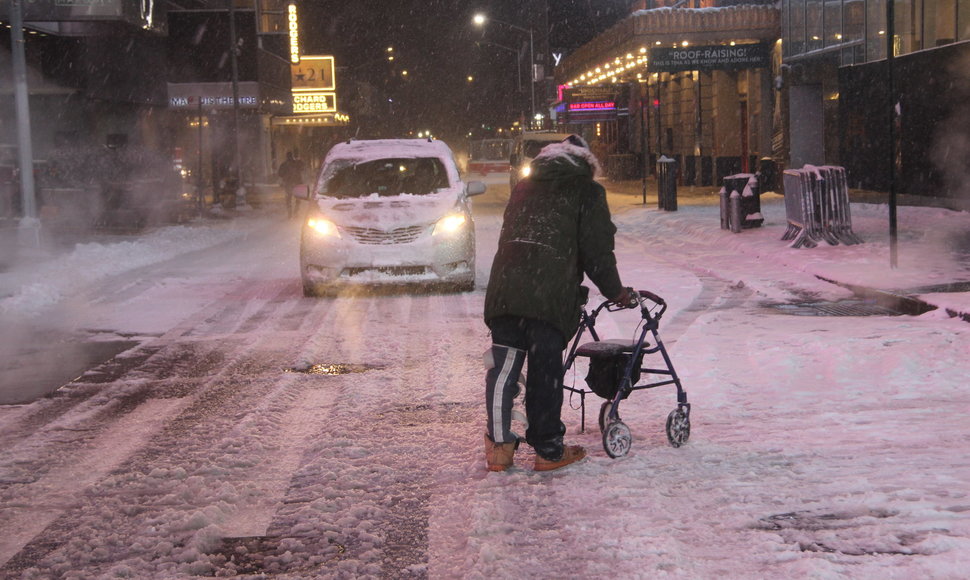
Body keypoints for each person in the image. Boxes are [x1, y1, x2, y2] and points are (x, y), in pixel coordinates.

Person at [483, 135, 635, 472]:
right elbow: (596, 253)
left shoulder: (524, 186)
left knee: (503, 369)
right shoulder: (587, 191)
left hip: (507, 288)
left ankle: (499, 448)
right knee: (545, 373)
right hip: (548, 296)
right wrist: (616, 292)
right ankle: (548, 450)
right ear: (585, 163)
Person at [277, 150, 306, 218]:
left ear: (286, 157)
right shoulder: (297, 163)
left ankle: (290, 213)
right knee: (298, 199)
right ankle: (296, 212)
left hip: (288, 184)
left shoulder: (284, 164)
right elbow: (303, 167)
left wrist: (285, 176)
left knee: (288, 198)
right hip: (297, 183)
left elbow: (280, 174)